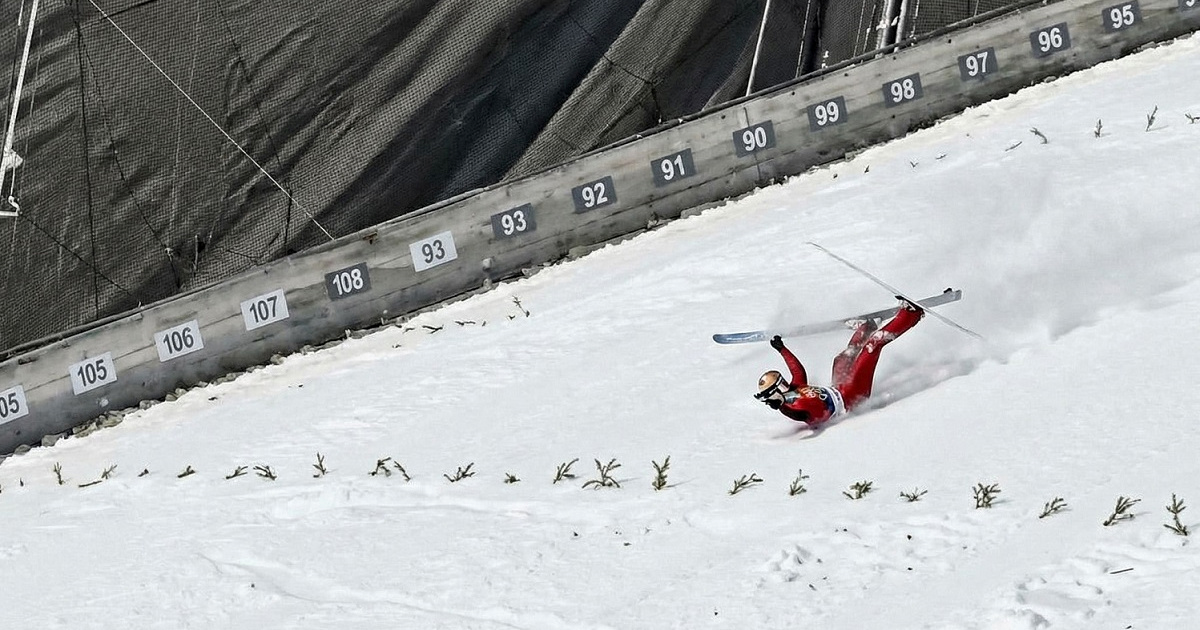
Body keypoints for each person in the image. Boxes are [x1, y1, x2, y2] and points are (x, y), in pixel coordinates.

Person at [754, 297, 924, 426]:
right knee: (873, 345)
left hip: (839, 387)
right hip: (852, 396)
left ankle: (866, 327)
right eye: (781, 386)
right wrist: (781, 405)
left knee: (842, 359)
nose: (786, 385)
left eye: (782, 381)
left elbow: (798, 371)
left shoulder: (795, 389)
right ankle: (911, 315)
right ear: (774, 395)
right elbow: (802, 416)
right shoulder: (793, 408)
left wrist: (781, 349)